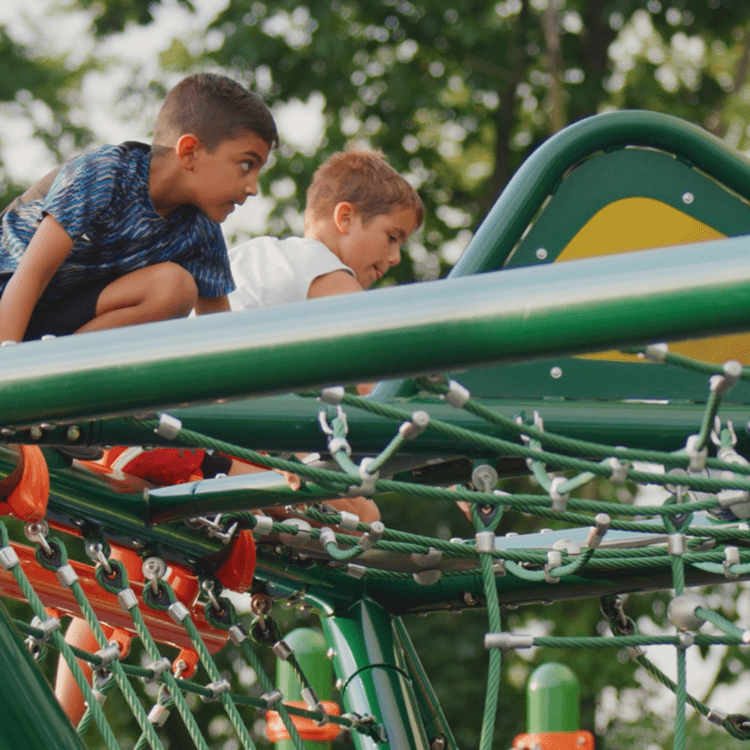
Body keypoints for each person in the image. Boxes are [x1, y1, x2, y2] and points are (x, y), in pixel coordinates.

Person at [0, 72, 278, 343]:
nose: (253, 187)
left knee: (174, 287)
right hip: (9, 303)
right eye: (246, 164)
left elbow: (219, 335)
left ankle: (63, 365)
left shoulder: (201, 231)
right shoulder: (106, 174)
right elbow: (32, 275)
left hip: (52, 320)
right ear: (189, 152)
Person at [227, 148, 424, 310]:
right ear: (345, 218)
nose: (396, 258)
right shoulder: (323, 268)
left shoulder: (259, 254)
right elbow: (372, 335)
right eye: (392, 237)